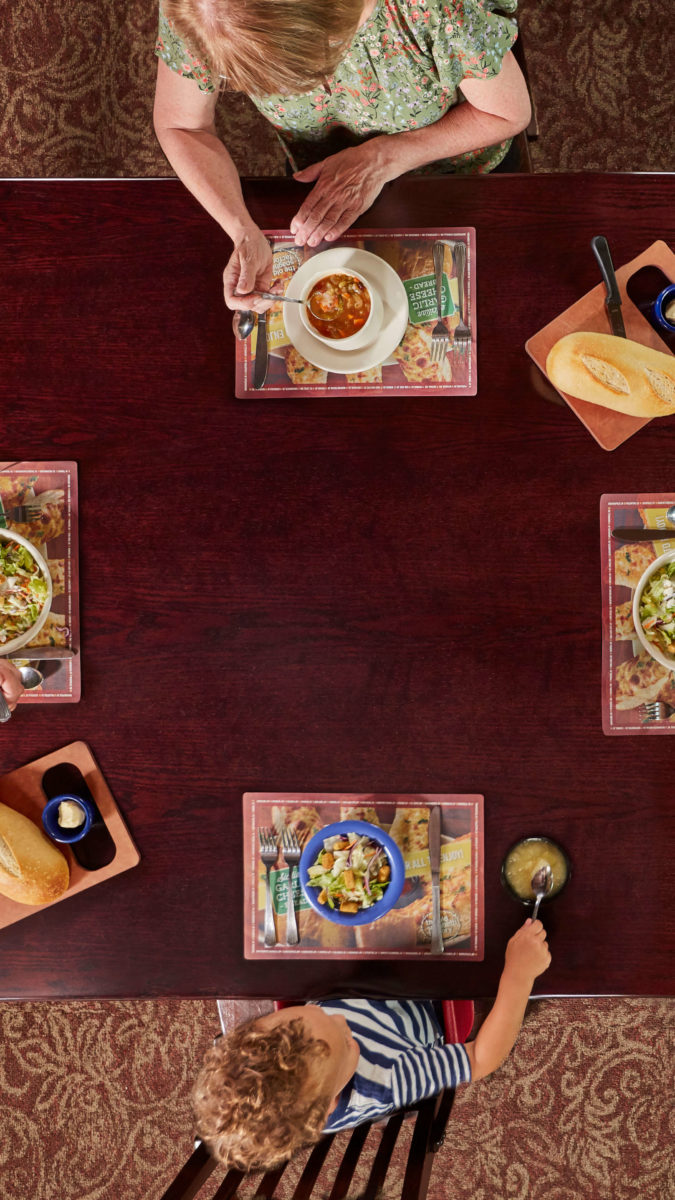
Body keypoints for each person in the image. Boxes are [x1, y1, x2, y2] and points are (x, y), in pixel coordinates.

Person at [153, 0, 531, 312]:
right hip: (319, 174)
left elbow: (506, 113)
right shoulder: (202, 9)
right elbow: (182, 125)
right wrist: (241, 230)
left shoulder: (435, 6)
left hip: (459, 169)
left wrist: (381, 159)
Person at [192, 916, 550, 1170]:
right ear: (331, 1104)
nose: (339, 1019)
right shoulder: (387, 1080)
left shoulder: (287, 1062)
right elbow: (480, 1059)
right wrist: (518, 976)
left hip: (370, 983)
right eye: (346, 1042)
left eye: (313, 1014)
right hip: (430, 1010)